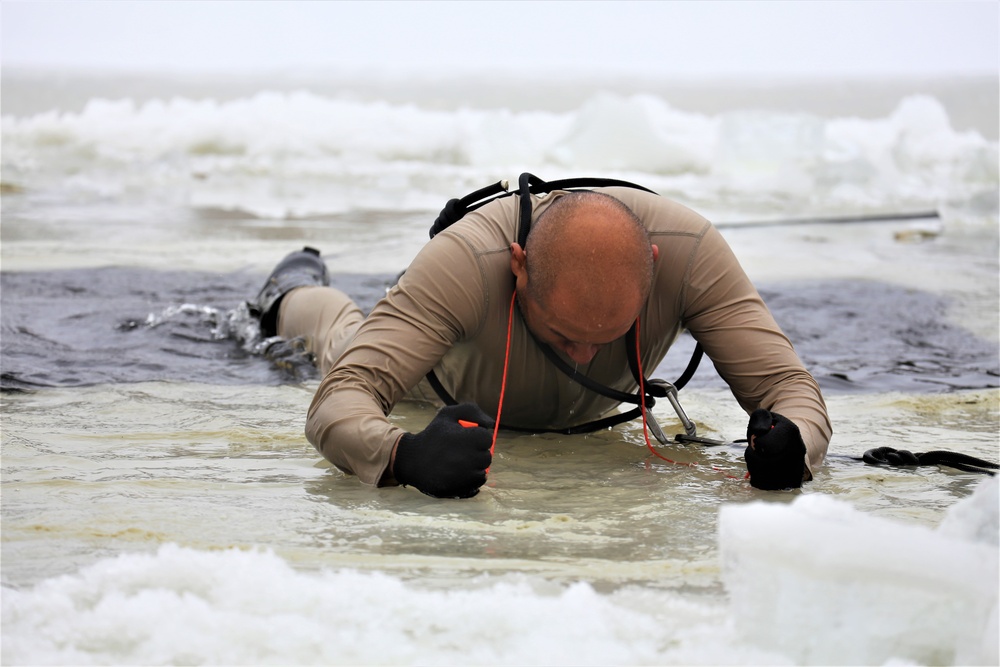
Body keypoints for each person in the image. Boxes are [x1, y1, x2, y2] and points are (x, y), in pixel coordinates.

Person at [252, 182, 832, 498]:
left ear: (652, 268)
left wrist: (793, 446)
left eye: (607, 335)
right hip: (430, 391)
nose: (584, 355)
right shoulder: (466, 261)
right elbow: (339, 399)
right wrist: (406, 455)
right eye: (563, 333)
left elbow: (786, 386)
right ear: (519, 267)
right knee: (340, 337)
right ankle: (291, 290)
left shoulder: (690, 253)